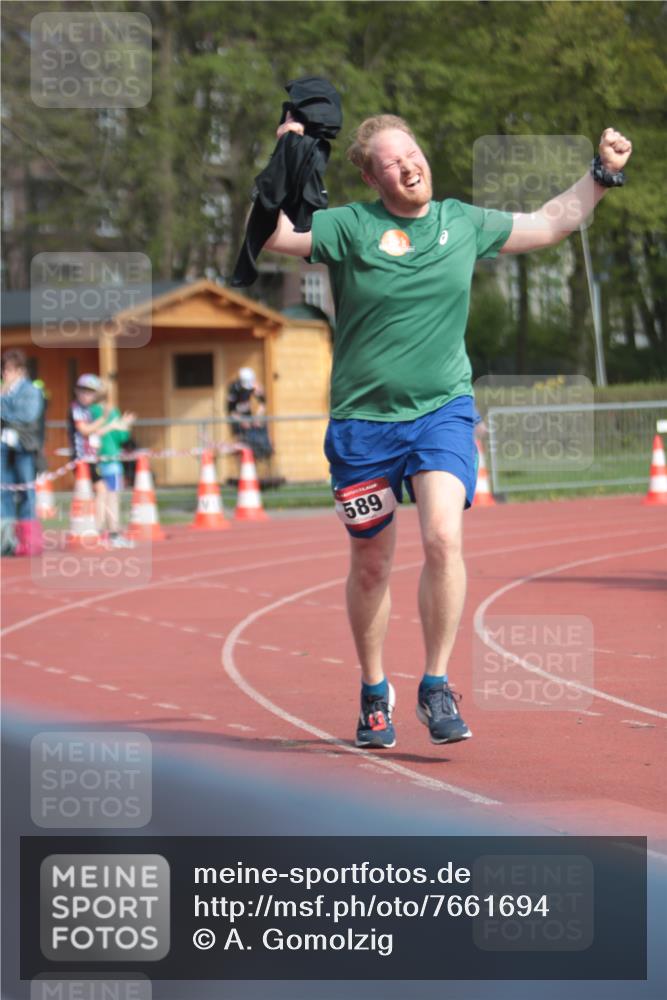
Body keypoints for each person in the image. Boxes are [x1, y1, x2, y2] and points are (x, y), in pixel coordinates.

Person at [264, 115, 632, 749]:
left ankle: (435, 685)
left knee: (442, 537)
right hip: (362, 426)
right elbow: (276, 235)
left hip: (443, 411)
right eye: (391, 161)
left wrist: (603, 174)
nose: (409, 166)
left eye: (414, 152)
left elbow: (550, 222)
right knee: (372, 562)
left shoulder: (460, 221)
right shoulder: (350, 226)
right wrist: (286, 149)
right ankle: (374, 691)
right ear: (369, 175)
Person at [1, 349, 45, 554]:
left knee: (27, 493)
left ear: (19, 370)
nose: (5, 374)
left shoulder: (31, 390)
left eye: (9, 369)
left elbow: (27, 416)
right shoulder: (3, 391)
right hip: (4, 448)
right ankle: (7, 541)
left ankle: (29, 541)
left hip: (25, 448)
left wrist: (4, 407)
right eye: (3, 369)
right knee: (3, 493)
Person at [89, 379, 136, 548]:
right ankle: (113, 534)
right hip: (111, 459)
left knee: (100, 496)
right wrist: (124, 425)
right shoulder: (111, 411)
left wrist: (121, 426)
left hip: (95, 459)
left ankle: (100, 533)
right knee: (112, 497)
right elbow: (122, 437)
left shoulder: (89, 411)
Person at [227, 367, 273, 460]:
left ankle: (259, 456)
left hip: (248, 417)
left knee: (256, 439)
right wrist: (241, 421)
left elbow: (263, 403)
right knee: (241, 445)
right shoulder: (234, 388)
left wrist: (257, 416)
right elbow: (231, 411)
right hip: (238, 419)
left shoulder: (254, 385)